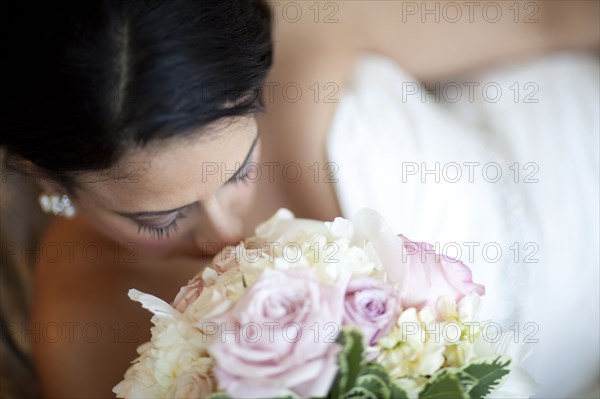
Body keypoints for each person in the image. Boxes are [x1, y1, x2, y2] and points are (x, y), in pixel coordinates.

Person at [0, 1, 598, 398]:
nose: (222, 229)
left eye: (240, 170)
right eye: (159, 218)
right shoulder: (89, 325)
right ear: (48, 180)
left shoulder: (307, 31)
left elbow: (547, 18)